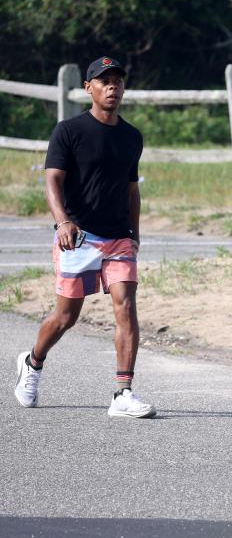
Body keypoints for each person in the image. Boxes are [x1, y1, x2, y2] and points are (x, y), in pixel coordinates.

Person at [15, 56, 154, 418]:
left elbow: (131, 189)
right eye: (104, 81)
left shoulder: (131, 136)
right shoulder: (69, 131)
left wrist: (134, 233)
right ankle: (32, 362)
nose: (112, 87)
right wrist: (62, 222)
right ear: (88, 88)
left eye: (118, 81)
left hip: (118, 237)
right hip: (78, 235)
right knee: (66, 316)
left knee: (126, 304)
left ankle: (123, 393)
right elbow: (52, 180)